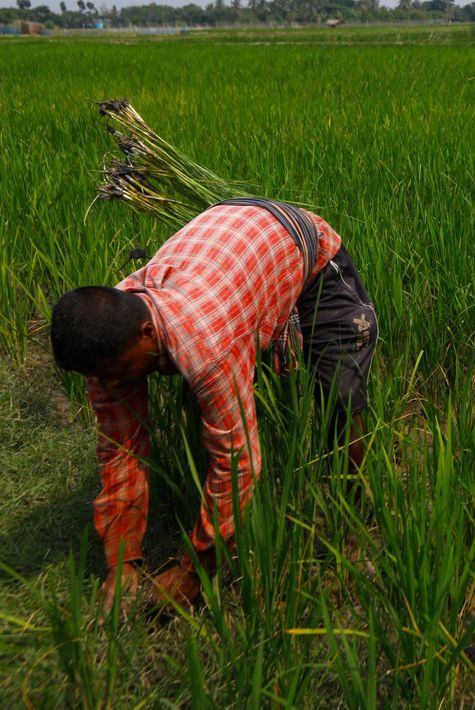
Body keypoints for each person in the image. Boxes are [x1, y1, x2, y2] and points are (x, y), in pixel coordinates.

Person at [50, 198, 377, 614]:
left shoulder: (206, 344)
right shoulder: (106, 337)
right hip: (228, 252)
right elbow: (121, 449)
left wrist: (195, 569)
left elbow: (238, 461)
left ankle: (350, 519)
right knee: (204, 391)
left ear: (148, 333)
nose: (111, 384)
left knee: (341, 400)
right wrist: (122, 559)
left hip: (302, 245)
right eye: (102, 378)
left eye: (116, 373)